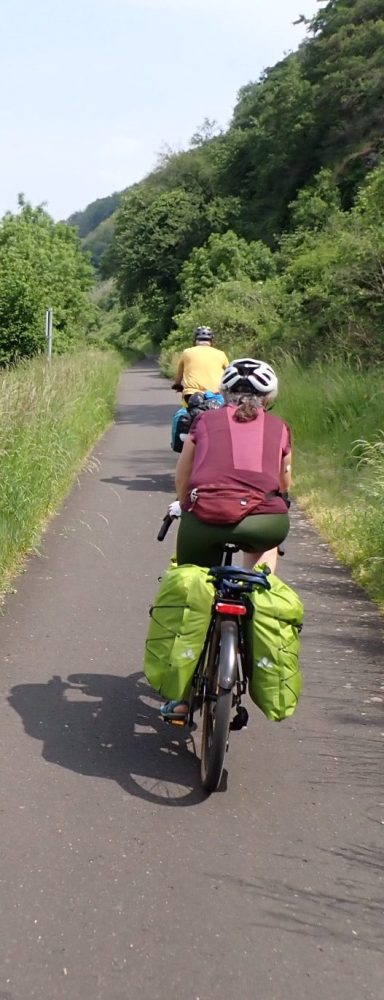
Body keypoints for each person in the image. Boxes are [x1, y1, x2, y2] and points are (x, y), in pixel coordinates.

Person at [160, 357, 292, 722]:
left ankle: (184, 696)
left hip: (205, 520)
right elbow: (284, 484)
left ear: (224, 393)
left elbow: (183, 475)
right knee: (262, 576)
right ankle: (256, 627)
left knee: (194, 591)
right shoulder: (280, 428)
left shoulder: (204, 420)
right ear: (269, 398)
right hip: (264, 524)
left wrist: (186, 506)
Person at [172, 326, 229, 403]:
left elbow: (180, 373)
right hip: (215, 394)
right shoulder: (221, 354)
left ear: (195, 340)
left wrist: (177, 384)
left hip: (191, 394)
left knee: (186, 413)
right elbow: (229, 373)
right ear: (212, 341)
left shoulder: (187, 352)